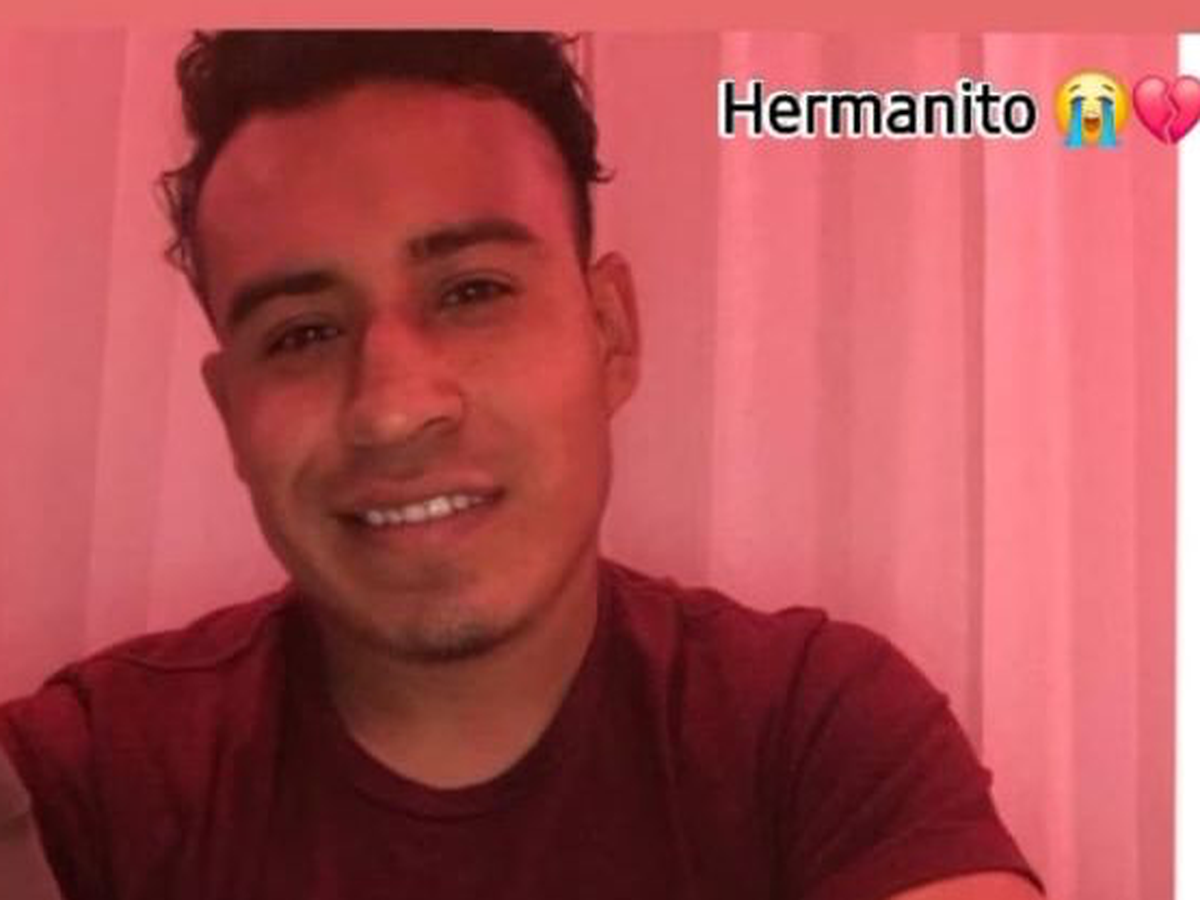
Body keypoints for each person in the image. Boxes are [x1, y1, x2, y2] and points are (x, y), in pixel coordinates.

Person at [0, 31, 1044, 900]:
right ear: (232, 416)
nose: (394, 408)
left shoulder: (815, 732)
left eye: (472, 293)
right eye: (303, 333)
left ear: (609, 333)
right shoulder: (84, 783)